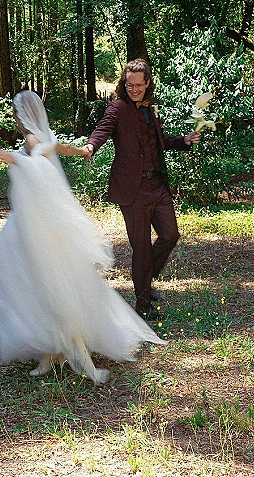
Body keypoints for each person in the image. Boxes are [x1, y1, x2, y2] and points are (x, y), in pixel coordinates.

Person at [0, 90, 165, 385]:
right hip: (35, 222)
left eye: (16, 113)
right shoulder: (42, 135)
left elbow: (39, 163)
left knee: (24, 279)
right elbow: (59, 148)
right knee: (40, 283)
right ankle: (50, 349)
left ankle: (56, 344)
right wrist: (82, 151)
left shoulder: (31, 140)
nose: (15, 118)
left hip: (36, 225)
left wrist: (12, 158)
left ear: (21, 116)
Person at [82, 59, 201, 321]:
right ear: (124, 84)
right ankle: (143, 302)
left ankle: (145, 279)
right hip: (132, 190)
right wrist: (91, 146)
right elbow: (103, 130)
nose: (133, 89)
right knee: (142, 247)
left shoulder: (151, 108)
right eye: (129, 84)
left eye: (138, 85)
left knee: (170, 234)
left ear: (148, 83)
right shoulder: (117, 108)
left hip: (157, 186)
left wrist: (183, 140)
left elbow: (157, 142)